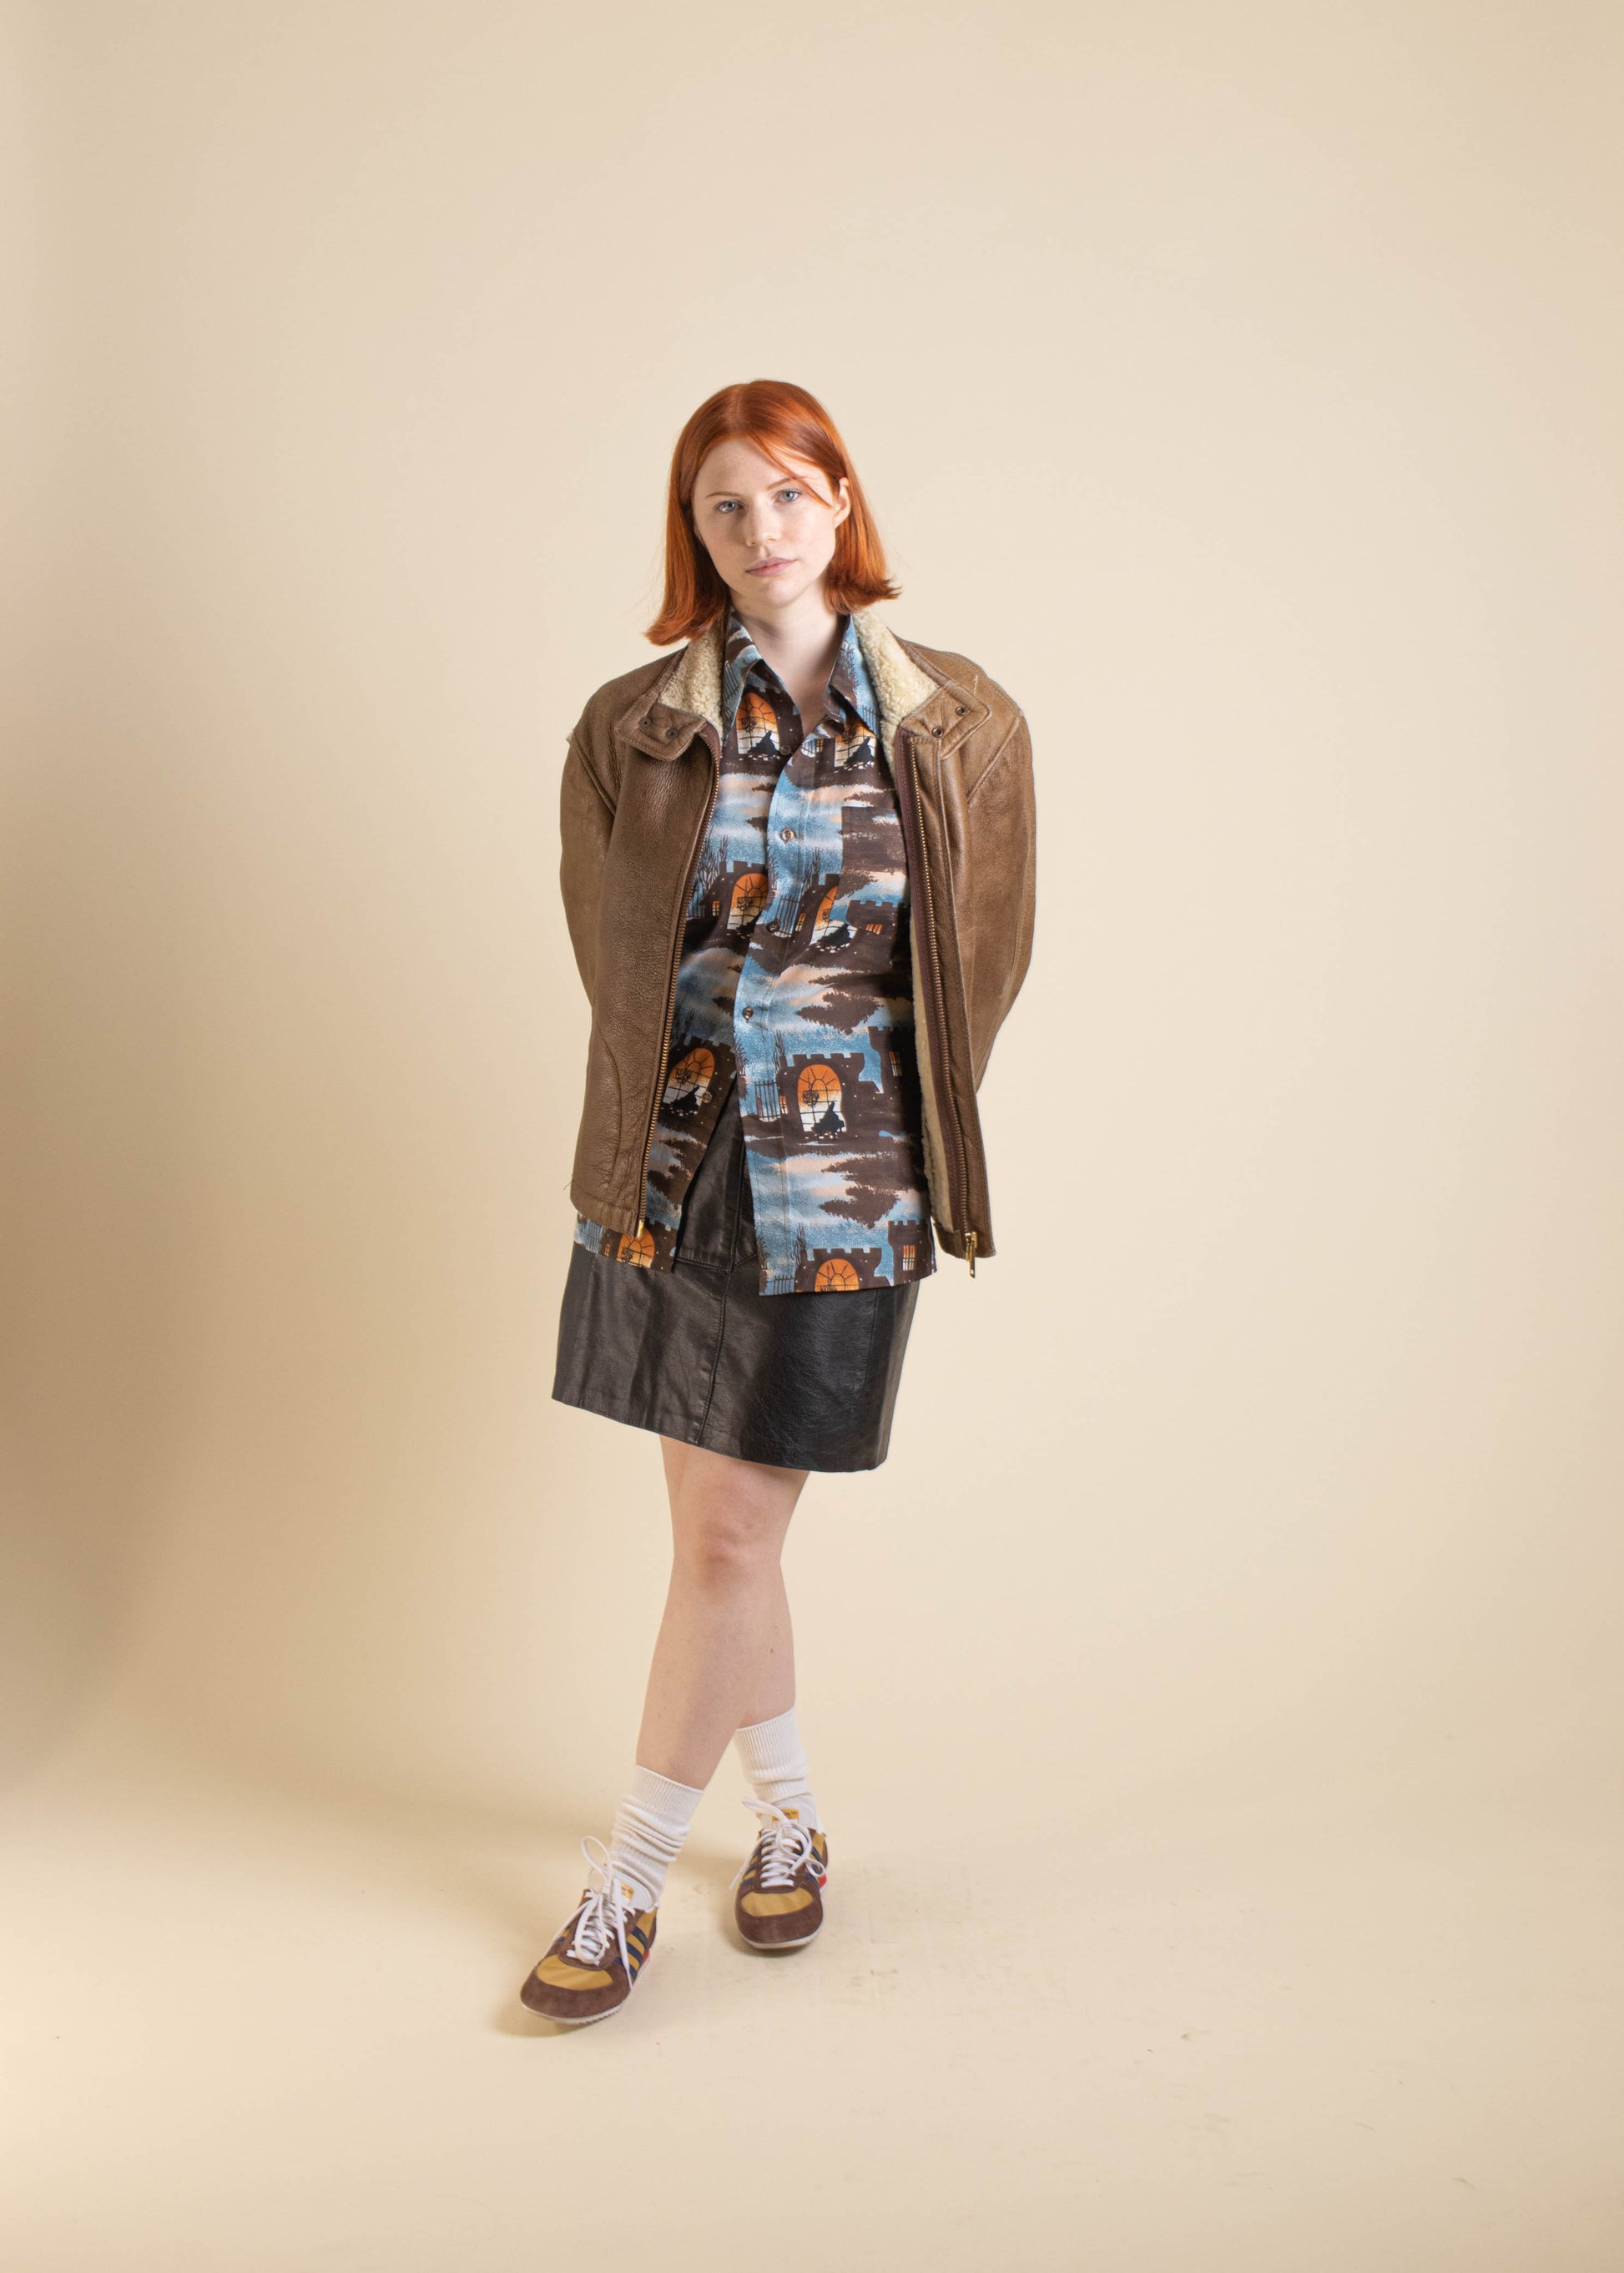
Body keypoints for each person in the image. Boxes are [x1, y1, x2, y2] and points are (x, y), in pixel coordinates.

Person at [522, 379, 1036, 2025]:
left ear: (842, 502)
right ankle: (792, 1822)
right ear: (693, 530)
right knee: (715, 1542)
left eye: (790, 494)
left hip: (847, 1180)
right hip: (674, 1169)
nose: (762, 531)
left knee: (732, 1534)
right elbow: (615, 959)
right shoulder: (633, 724)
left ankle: (622, 1887)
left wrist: (881, 1113)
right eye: (724, 506)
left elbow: (984, 955)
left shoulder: (955, 718)